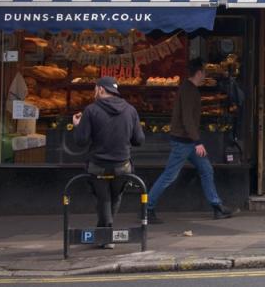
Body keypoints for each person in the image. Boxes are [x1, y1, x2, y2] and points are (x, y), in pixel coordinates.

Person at [146, 59, 233, 222]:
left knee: (206, 169)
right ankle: (147, 207)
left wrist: (195, 141)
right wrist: (198, 141)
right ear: (199, 73)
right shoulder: (188, 90)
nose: (204, 76)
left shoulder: (189, 89)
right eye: (204, 73)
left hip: (188, 141)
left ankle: (217, 206)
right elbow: (187, 119)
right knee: (169, 176)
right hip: (183, 142)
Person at [72, 76, 145, 249]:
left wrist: (77, 125)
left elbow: (81, 141)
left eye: (95, 89)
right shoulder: (130, 110)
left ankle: (106, 234)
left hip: (98, 165)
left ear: (101, 90)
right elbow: (139, 140)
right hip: (122, 165)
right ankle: (104, 233)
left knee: (104, 199)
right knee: (115, 196)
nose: (94, 92)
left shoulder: (91, 110)